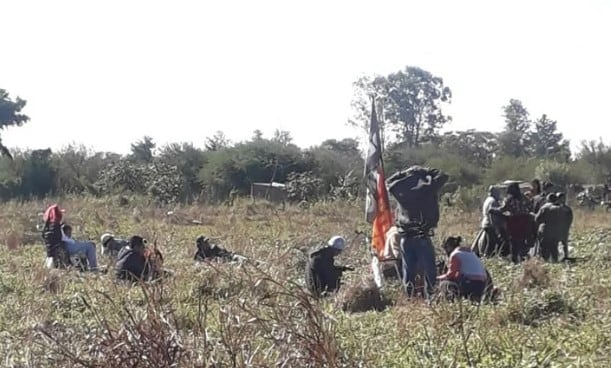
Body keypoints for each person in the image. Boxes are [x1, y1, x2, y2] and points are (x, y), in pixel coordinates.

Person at [386, 166, 448, 298]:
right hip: (421, 235)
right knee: (429, 269)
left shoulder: (399, 188)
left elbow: (388, 181)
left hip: (405, 235)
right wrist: (426, 171)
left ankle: (410, 297)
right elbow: (443, 175)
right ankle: (430, 296)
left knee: (408, 270)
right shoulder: (427, 188)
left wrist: (404, 172)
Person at [437, 236, 490, 303]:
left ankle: (451, 304)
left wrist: (439, 278)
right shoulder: (472, 254)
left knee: (444, 284)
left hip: (469, 284)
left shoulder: (455, 255)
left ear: (449, 247)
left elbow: (451, 275)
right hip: (481, 285)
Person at [492, 182, 534, 263]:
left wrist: (493, 209)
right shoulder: (524, 198)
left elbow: (502, 209)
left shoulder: (510, 199)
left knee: (513, 242)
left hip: (514, 222)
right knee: (521, 241)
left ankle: (515, 261)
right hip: (524, 222)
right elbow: (530, 207)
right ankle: (522, 258)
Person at [535, 193, 566, 262]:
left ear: (548, 199)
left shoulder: (544, 207)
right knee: (554, 249)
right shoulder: (560, 208)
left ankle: (545, 264)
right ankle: (555, 263)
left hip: (545, 231)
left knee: (544, 250)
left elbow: (537, 219)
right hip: (556, 232)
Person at [473, 186, 502, 257]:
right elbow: (491, 214)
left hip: (486, 223)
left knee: (488, 242)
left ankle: (486, 255)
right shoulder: (493, 201)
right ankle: (487, 256)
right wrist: (495, 226)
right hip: (490, 224)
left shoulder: (488, 199)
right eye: (498, 192)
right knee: (491, 242)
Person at [556, 192, 574, 259]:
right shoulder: (555, 207)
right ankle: (557, 255)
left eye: (563, 198)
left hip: (564, 228)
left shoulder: (567, 209)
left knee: (564, 242)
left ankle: (566, 256)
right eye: (560, 198)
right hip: (556, 227)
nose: (562, 200)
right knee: (556, 242)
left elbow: (570, 217)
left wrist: (567, 225)